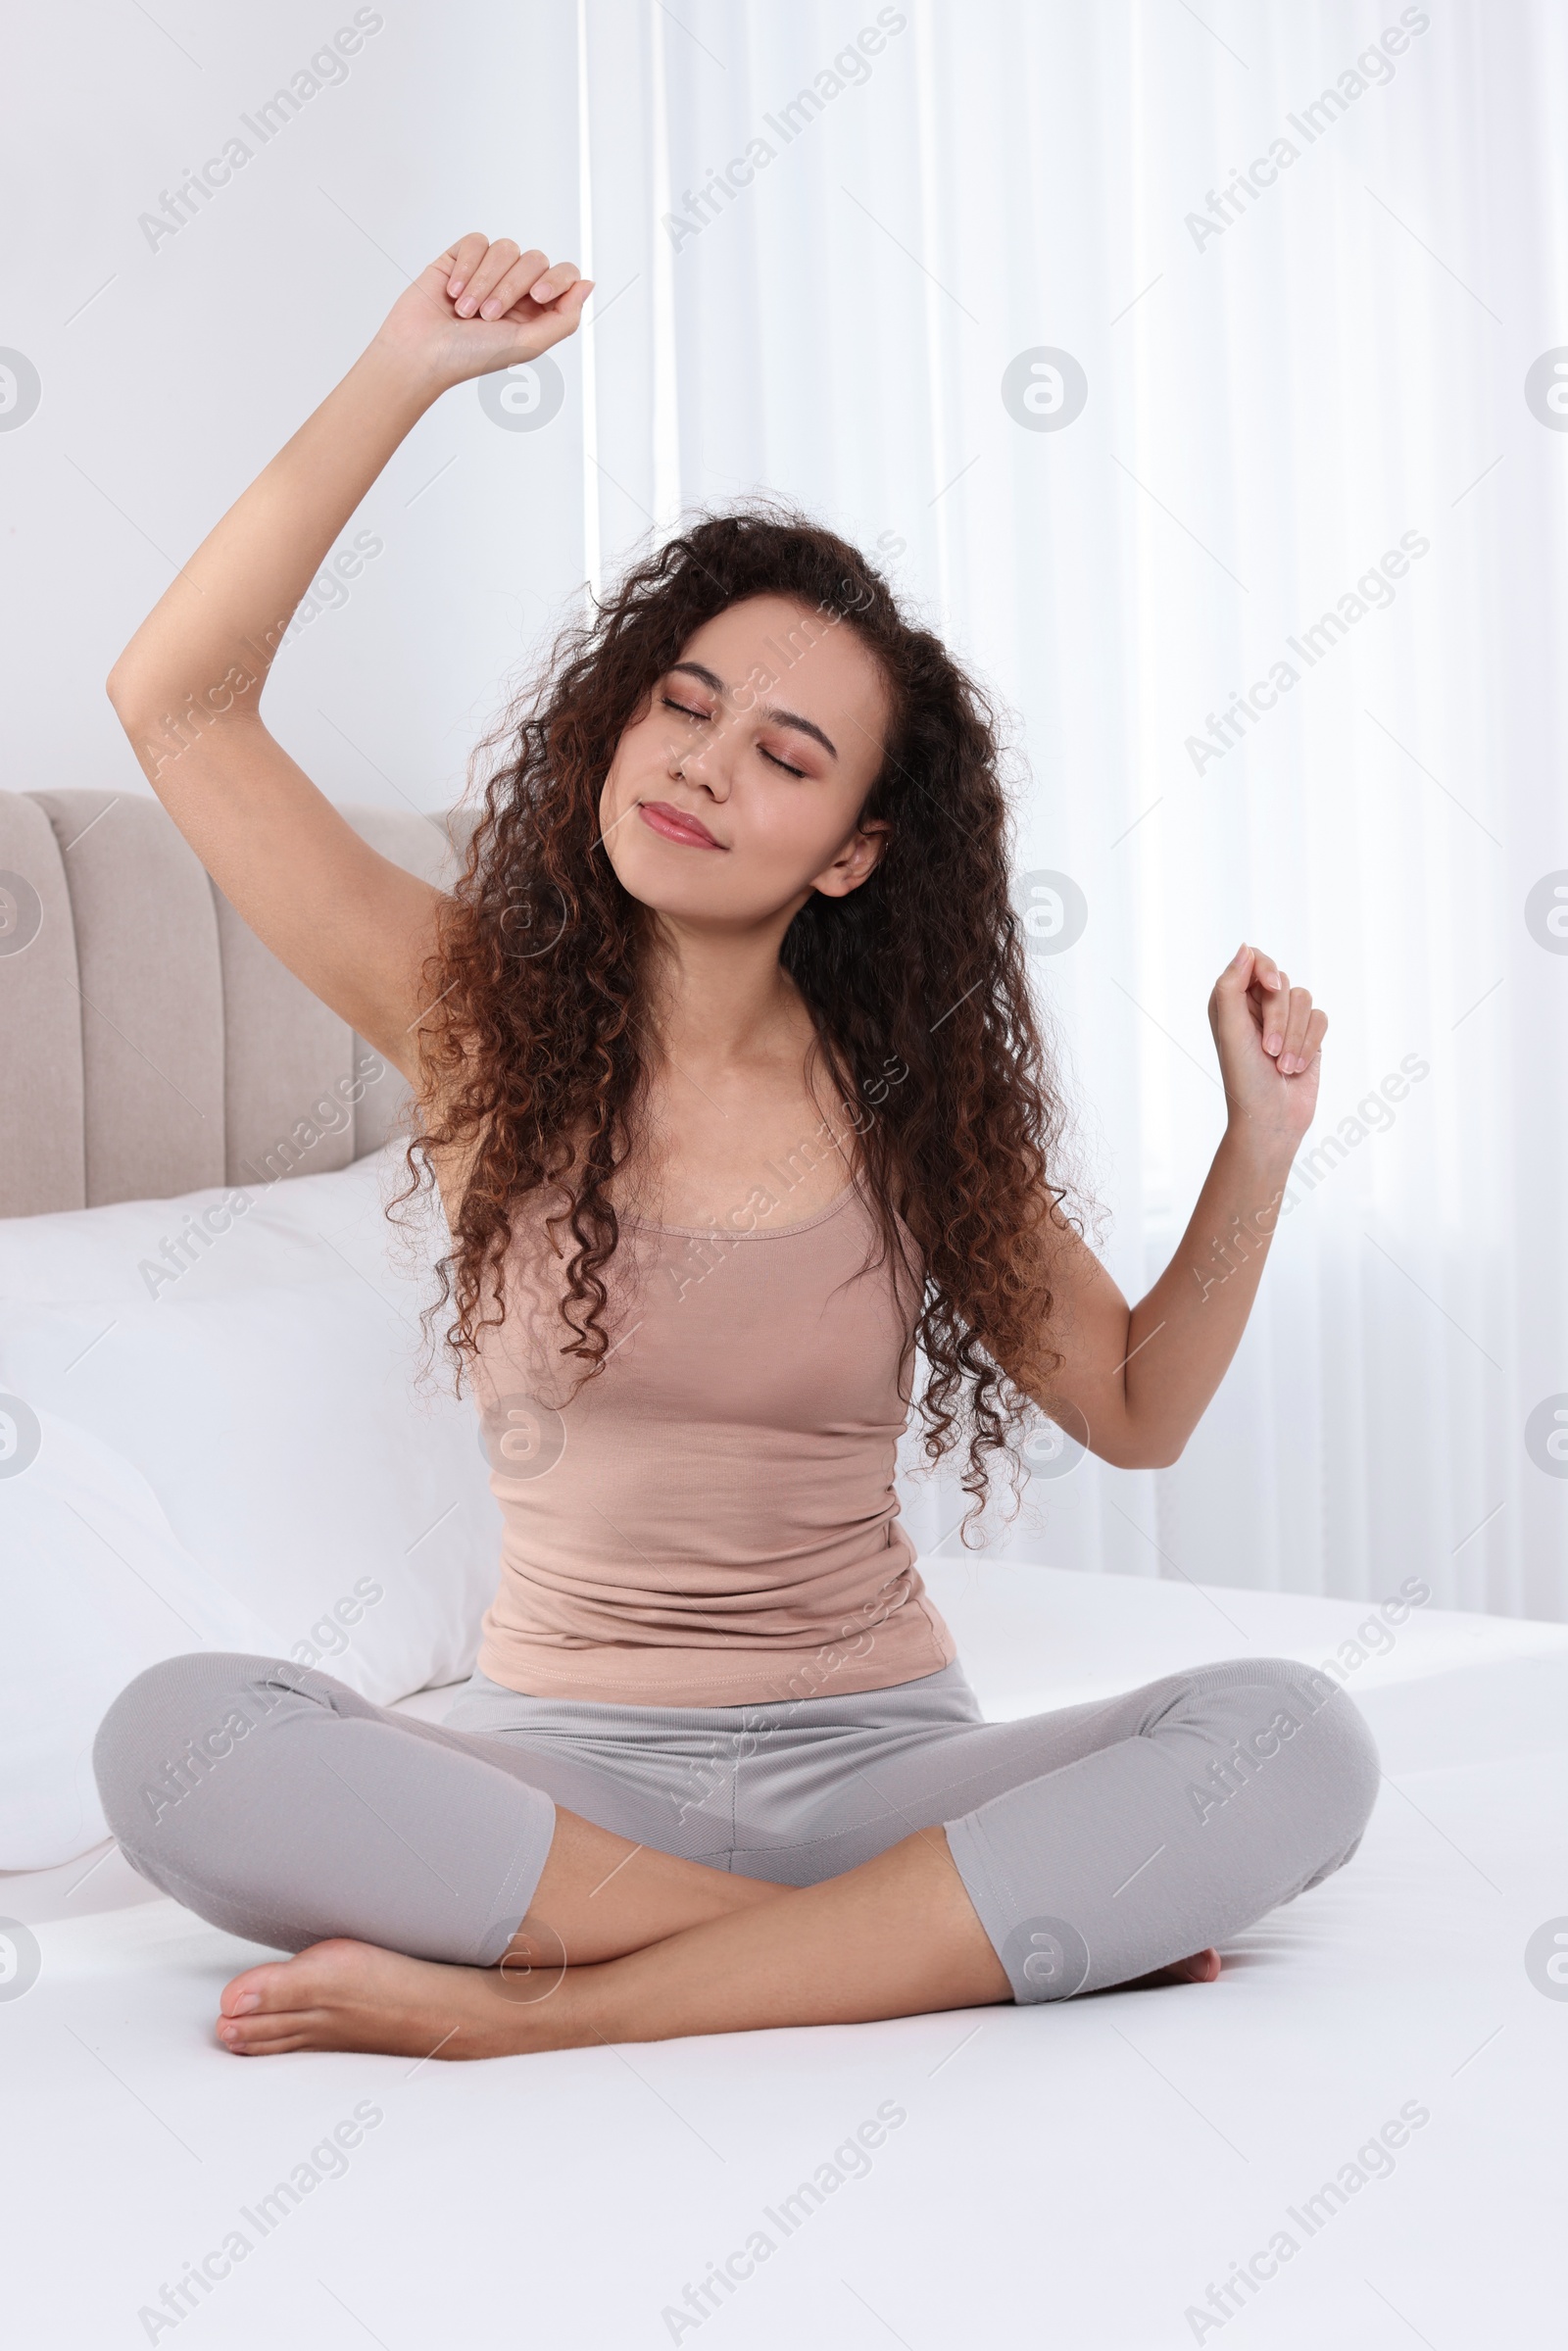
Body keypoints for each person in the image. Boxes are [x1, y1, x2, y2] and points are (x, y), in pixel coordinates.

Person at [92, 234, 1377, 2060]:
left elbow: (1137, 1409)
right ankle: (895, 1950)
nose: (701, 766)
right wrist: (404, 366)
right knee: (174, 1739)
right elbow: (178, 702)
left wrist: (1262, 1145)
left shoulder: (910, 1099)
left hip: (886, 1767)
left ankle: (545, 2014)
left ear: (851, 850)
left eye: (785, 756)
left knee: (1298, 1734)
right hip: (557, 1788)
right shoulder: (471, 1016)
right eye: (683, 706)